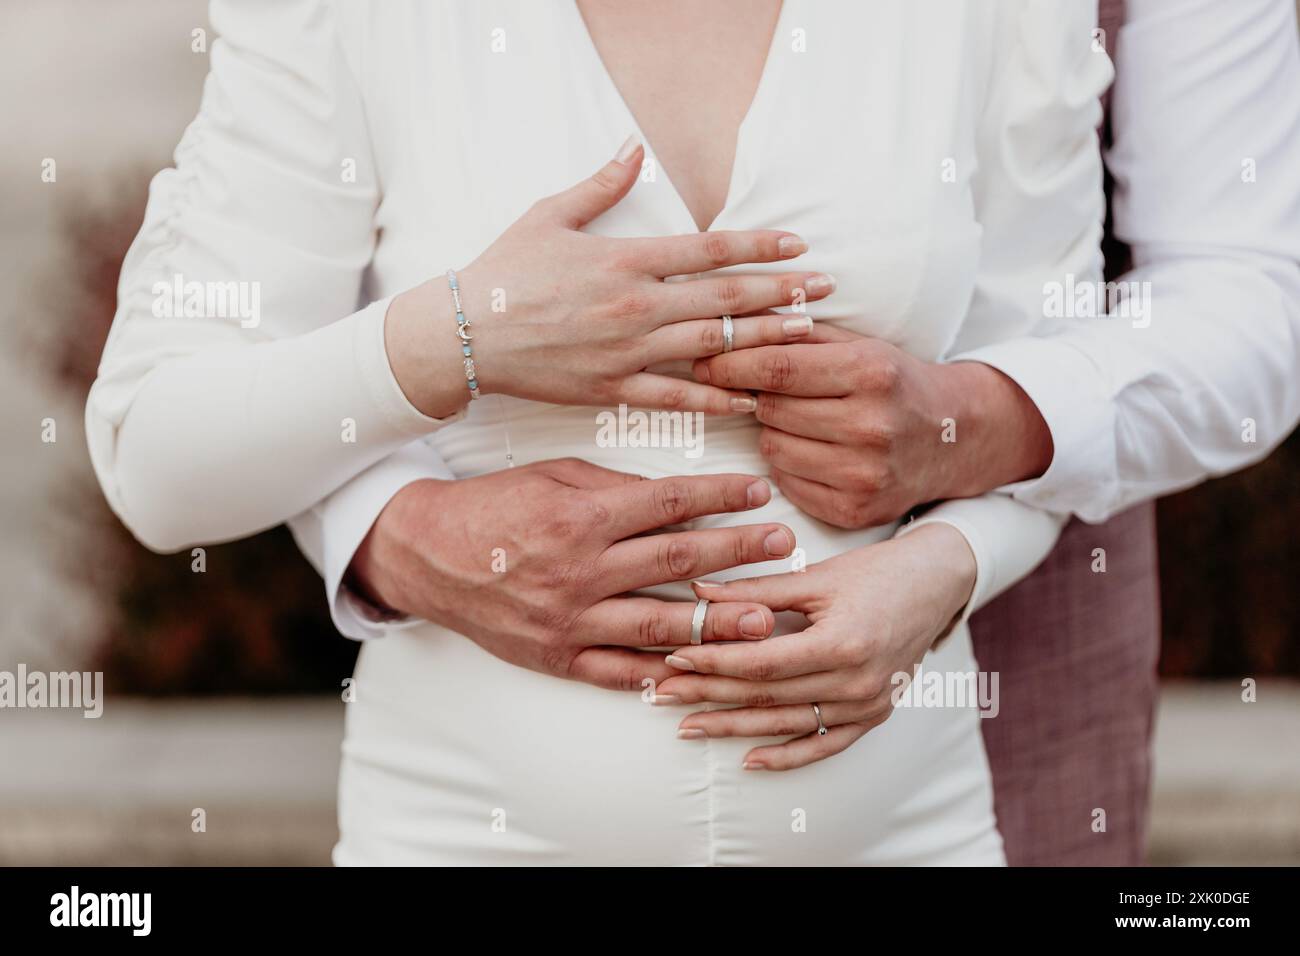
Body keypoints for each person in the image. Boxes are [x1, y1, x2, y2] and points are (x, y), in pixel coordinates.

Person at [84, 0, 1172, 864]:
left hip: (909, 836)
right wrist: (461, 336)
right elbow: (156, 446)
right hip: (463, 838)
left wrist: (950, 562)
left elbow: (1052, 387)